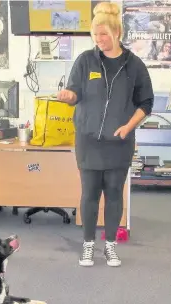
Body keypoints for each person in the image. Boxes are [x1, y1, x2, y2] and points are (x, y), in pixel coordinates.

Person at [57, 2, 154, 267]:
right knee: (89, 194)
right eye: (95, 34)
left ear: (117, 33)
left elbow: (146, 102)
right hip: (88, 141)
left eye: (104, 34)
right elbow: (75, 91)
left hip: (119, 143)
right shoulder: (86, 60)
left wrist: (128, 126)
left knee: (113, 194)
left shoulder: (134, 66)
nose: (99, 40)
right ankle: (88, 244)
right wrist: (69, 96)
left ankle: (110, 245)